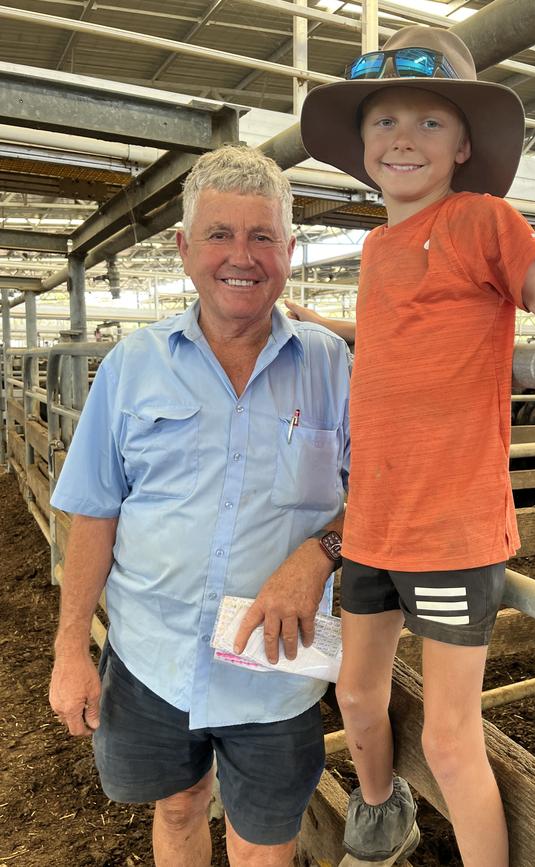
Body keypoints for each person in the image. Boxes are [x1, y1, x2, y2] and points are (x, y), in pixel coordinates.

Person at [298, 25, 535, 867]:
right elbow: (401, 332)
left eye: (428, 122)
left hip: (452, 526)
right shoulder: (378, 247)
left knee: (454, 738)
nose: (403, 139)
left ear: (462, 146)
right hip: (376, 517)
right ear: (361, 146)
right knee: (353, 691)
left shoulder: (485, 220)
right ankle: (382, 813)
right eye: (384, 123)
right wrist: (330, 325)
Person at [48, 144, 351, 867]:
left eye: (262, 236)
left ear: (288, 249)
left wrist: (320, 553)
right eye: (220, 234)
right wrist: (69, 648)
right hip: (153, 653)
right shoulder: (131, 365)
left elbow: (379, 493)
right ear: (185, 248)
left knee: (262, 837)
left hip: (277, 669)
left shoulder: (333, 364)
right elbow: (94, 509)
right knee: (179, 804)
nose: (240, 256)